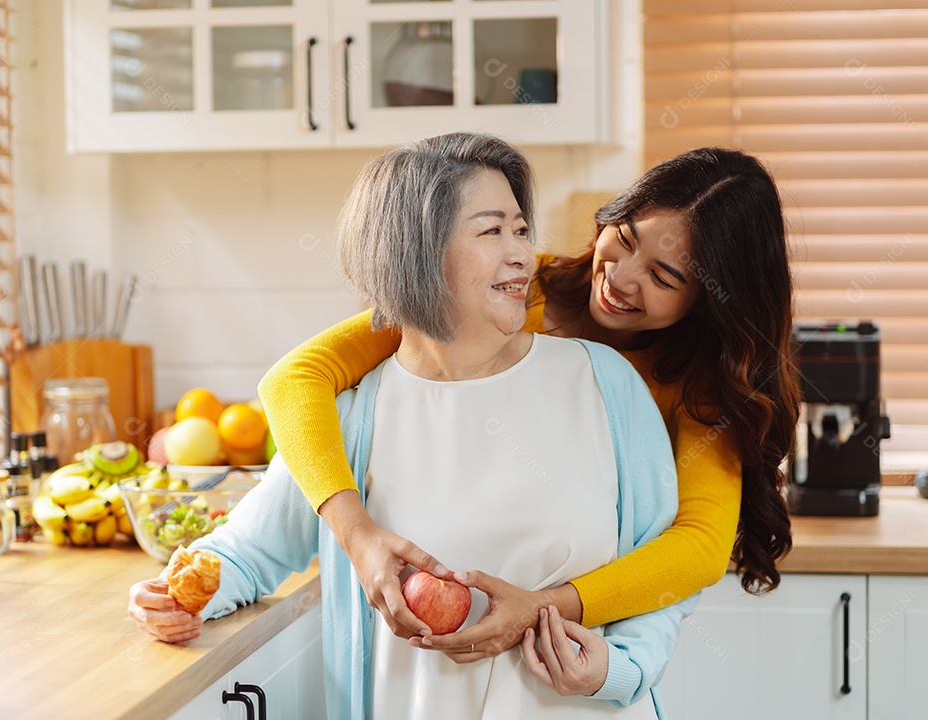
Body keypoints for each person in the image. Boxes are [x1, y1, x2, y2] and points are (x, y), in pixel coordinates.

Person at [128, 132, 696, 719]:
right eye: (491, 231)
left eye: (522, 229)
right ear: (415, 252)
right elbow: (247, 552)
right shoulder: (350, 419)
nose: (523, 256)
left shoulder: (605, 383)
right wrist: (173, 596)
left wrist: (618, 668)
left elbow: (660, 574)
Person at [255, 145, 800, 662]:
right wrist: (357, 533)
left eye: (662, 276)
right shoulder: (513, 288)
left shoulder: (698, 385)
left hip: (572, 655)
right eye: (625, 239)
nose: (621, 277)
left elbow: (698, 547)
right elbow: (297, 377)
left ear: (711, 300)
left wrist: (546, 608)